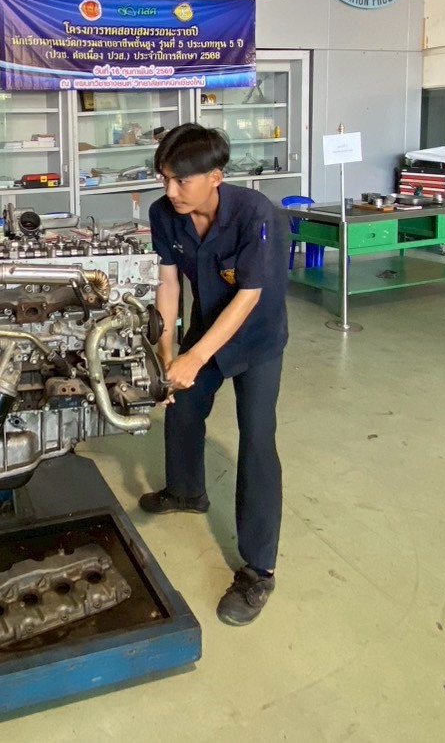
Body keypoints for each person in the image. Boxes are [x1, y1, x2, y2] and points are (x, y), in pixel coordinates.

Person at [140, 123, 288, 625]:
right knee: (181, 407)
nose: (170, 191)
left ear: (215, 177)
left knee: (258, 437)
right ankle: (186, 491)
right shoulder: (165, 214)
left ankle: (259, 570)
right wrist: (167, 354)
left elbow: (248, 297)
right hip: (206, 328)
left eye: (181, 181)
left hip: (257, 338)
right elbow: (168, 285)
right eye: (164, 179)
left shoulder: (256, 215)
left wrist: (195, 358)